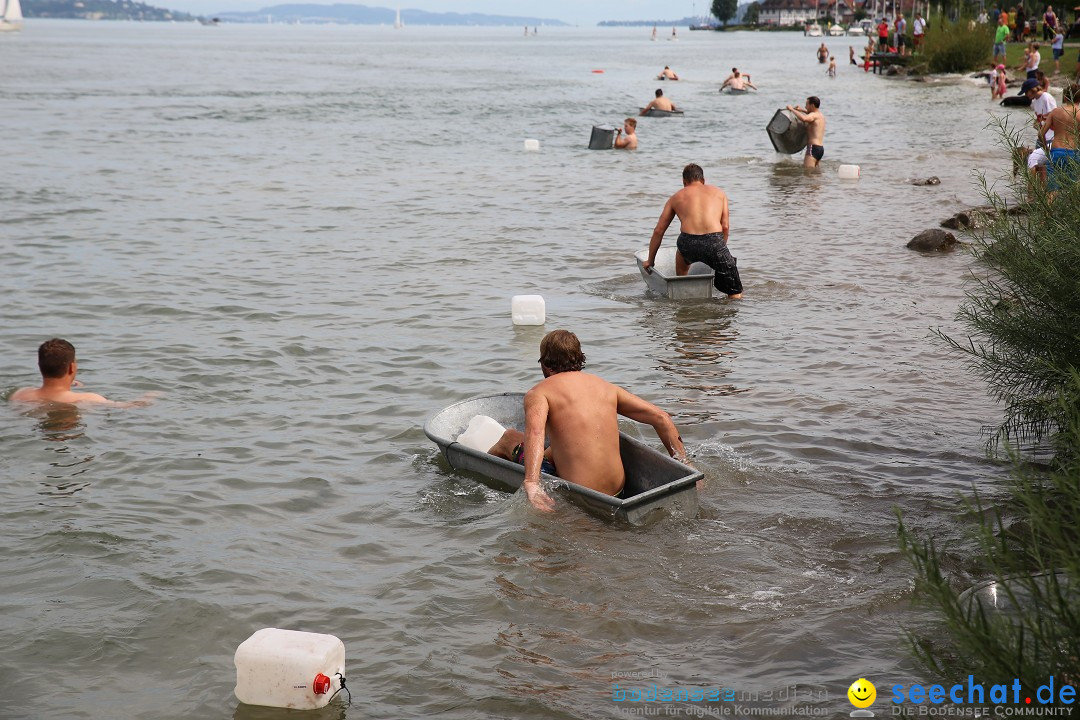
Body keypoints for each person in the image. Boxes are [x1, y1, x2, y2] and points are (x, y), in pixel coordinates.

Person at [492, 330, 687, 511]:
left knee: (510, 437)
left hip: (581, 495)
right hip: (617, 492)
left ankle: (484, 475)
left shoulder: (539, 393)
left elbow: (535, 432)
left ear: (545, 363)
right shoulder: (607, 387)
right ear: (579, 358)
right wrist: (685, 464)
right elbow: (662, 418)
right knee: (552, 450)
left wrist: (532, 483)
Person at [642, 163, 743, 298]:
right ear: (703, 180)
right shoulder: (719, 193)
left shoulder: (676, 197)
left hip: (687, 243)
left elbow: (659, 230)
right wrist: (720, 249)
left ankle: (681, 289)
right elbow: (725, 226)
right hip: (714, 242)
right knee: (735, 292)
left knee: (681, 255)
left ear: (684, 182)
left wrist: (650, 260)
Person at [10, 338, 156, 407]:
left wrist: (68, 384)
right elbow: (129, 406)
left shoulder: (21, 394)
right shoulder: (89, 398)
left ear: (39, 365)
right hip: (68, 429)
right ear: (72, 368)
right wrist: (150, 396)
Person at [1039, 83, 1080, 192]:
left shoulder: (1056, 112)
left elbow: (1040, 133)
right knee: (1073, 191)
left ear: (1065, 96)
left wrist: (1046, 149)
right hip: (1074, 153)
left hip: (1056, 151)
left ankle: (1047, 208)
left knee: (1052, 191)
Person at [1024, 77, 1058, 182]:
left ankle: (1045, 188)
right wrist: (1037, 123)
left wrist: (1042, 123)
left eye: (1027, 92)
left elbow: (1055, 116)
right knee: (1037, 164)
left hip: (1050, 137)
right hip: (1041, 136)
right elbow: (1040, 118)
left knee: (1045, 164)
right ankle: (1040, 190)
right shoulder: (1035, 101)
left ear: (1033, 89)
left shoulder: (1046, 98)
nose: (1026, 95)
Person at [786, 96, 826, 168]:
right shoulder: (820, 116)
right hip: (820, 149)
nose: (805, 106)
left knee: (808, 173)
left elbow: (804, 119)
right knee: (815, 174)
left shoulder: (813, 115)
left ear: (812, 105)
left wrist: (792, 109)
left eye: (806, 104)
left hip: (812, 148)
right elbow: (810, 114)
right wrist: (801, 110)